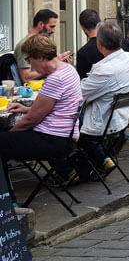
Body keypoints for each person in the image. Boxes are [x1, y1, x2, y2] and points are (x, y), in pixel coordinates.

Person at [0, 35, 82, 203]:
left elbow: (31, 120)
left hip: (53, 140)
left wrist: (12, 133)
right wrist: (27, 109)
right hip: (66, 136)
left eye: (30, 59)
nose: (29, 64)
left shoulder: (54, 79)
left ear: (41, 57)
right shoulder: (69, 70)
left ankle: (9, 202)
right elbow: (54, 109)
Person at [63, 22, 129, 181]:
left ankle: (70, 171)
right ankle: (101, 161)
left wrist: (64, 69)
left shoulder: (105, 69)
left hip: (103, 121)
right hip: (119, 116)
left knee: (63, 128)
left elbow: (78, 94)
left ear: (99, 43)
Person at [76, 9, 129, 78]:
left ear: (82, 27)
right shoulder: (122, 41)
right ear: (100, 21)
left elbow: (81, 81)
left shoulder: (83, 53)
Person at [13, 9, 72, 83]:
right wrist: (52, 66)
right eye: (52, 26)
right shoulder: (25, 45)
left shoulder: (43, 42)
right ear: (41, 24)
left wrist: (59, 62)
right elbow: (26, 77)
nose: (54, 30)